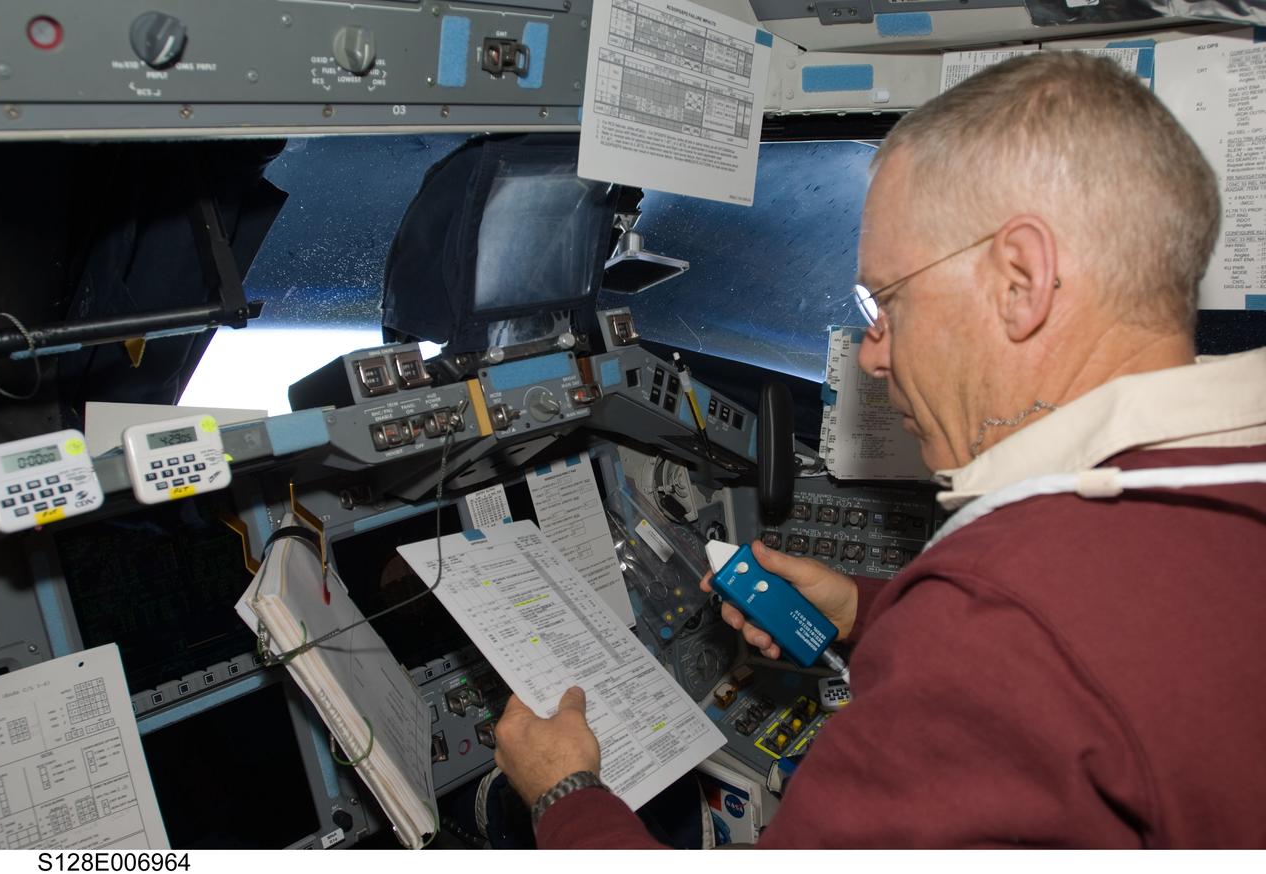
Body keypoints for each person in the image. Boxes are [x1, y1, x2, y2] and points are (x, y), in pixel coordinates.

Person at [493, 51, 1266, 848]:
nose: (870, 353)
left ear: (1022, 281)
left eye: (887, 301)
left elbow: (1033, 646)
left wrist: (568, 796)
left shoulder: (996, 624)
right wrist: (867, 608)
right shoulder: (1217, 493)